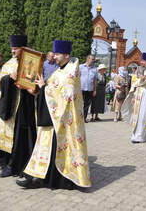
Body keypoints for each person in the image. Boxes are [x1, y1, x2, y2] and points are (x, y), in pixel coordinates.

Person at [17, 40, 91, 189]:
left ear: (66, 55)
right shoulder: (59, 71)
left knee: (54, 149)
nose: (54, 56)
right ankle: (34, 177)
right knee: (43, 147)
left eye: (57, 54)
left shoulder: (71, 72)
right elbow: (51, 88)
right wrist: (38, 89)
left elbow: (68, 95)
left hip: (64, 120)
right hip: (52, 116)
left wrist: (45, 88)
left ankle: (48, 179)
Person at [0, 35, 37, 178]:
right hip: (11, 106)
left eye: (15, 49)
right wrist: (9, 78)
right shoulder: (8, 65)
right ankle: (9, 164)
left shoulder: (32, 62)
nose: (12, 51)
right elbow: (1, 82)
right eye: (11, 48)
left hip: (26, 106)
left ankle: (21, 166)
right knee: (11, 136)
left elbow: (35, 85)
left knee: (23, 137)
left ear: (23, 49)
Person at [80, 54, 97, 122]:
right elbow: (76, 77)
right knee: (80, 104)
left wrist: (95, 90)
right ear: (88, 59)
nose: (93, 60)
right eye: (92, 59)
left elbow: (95, 80)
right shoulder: (80, 67)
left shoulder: (94, 69)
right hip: (81, 89)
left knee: (87, 104)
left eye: (93, 59)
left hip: (90, 89)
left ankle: (84, 118)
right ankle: (78, 118)